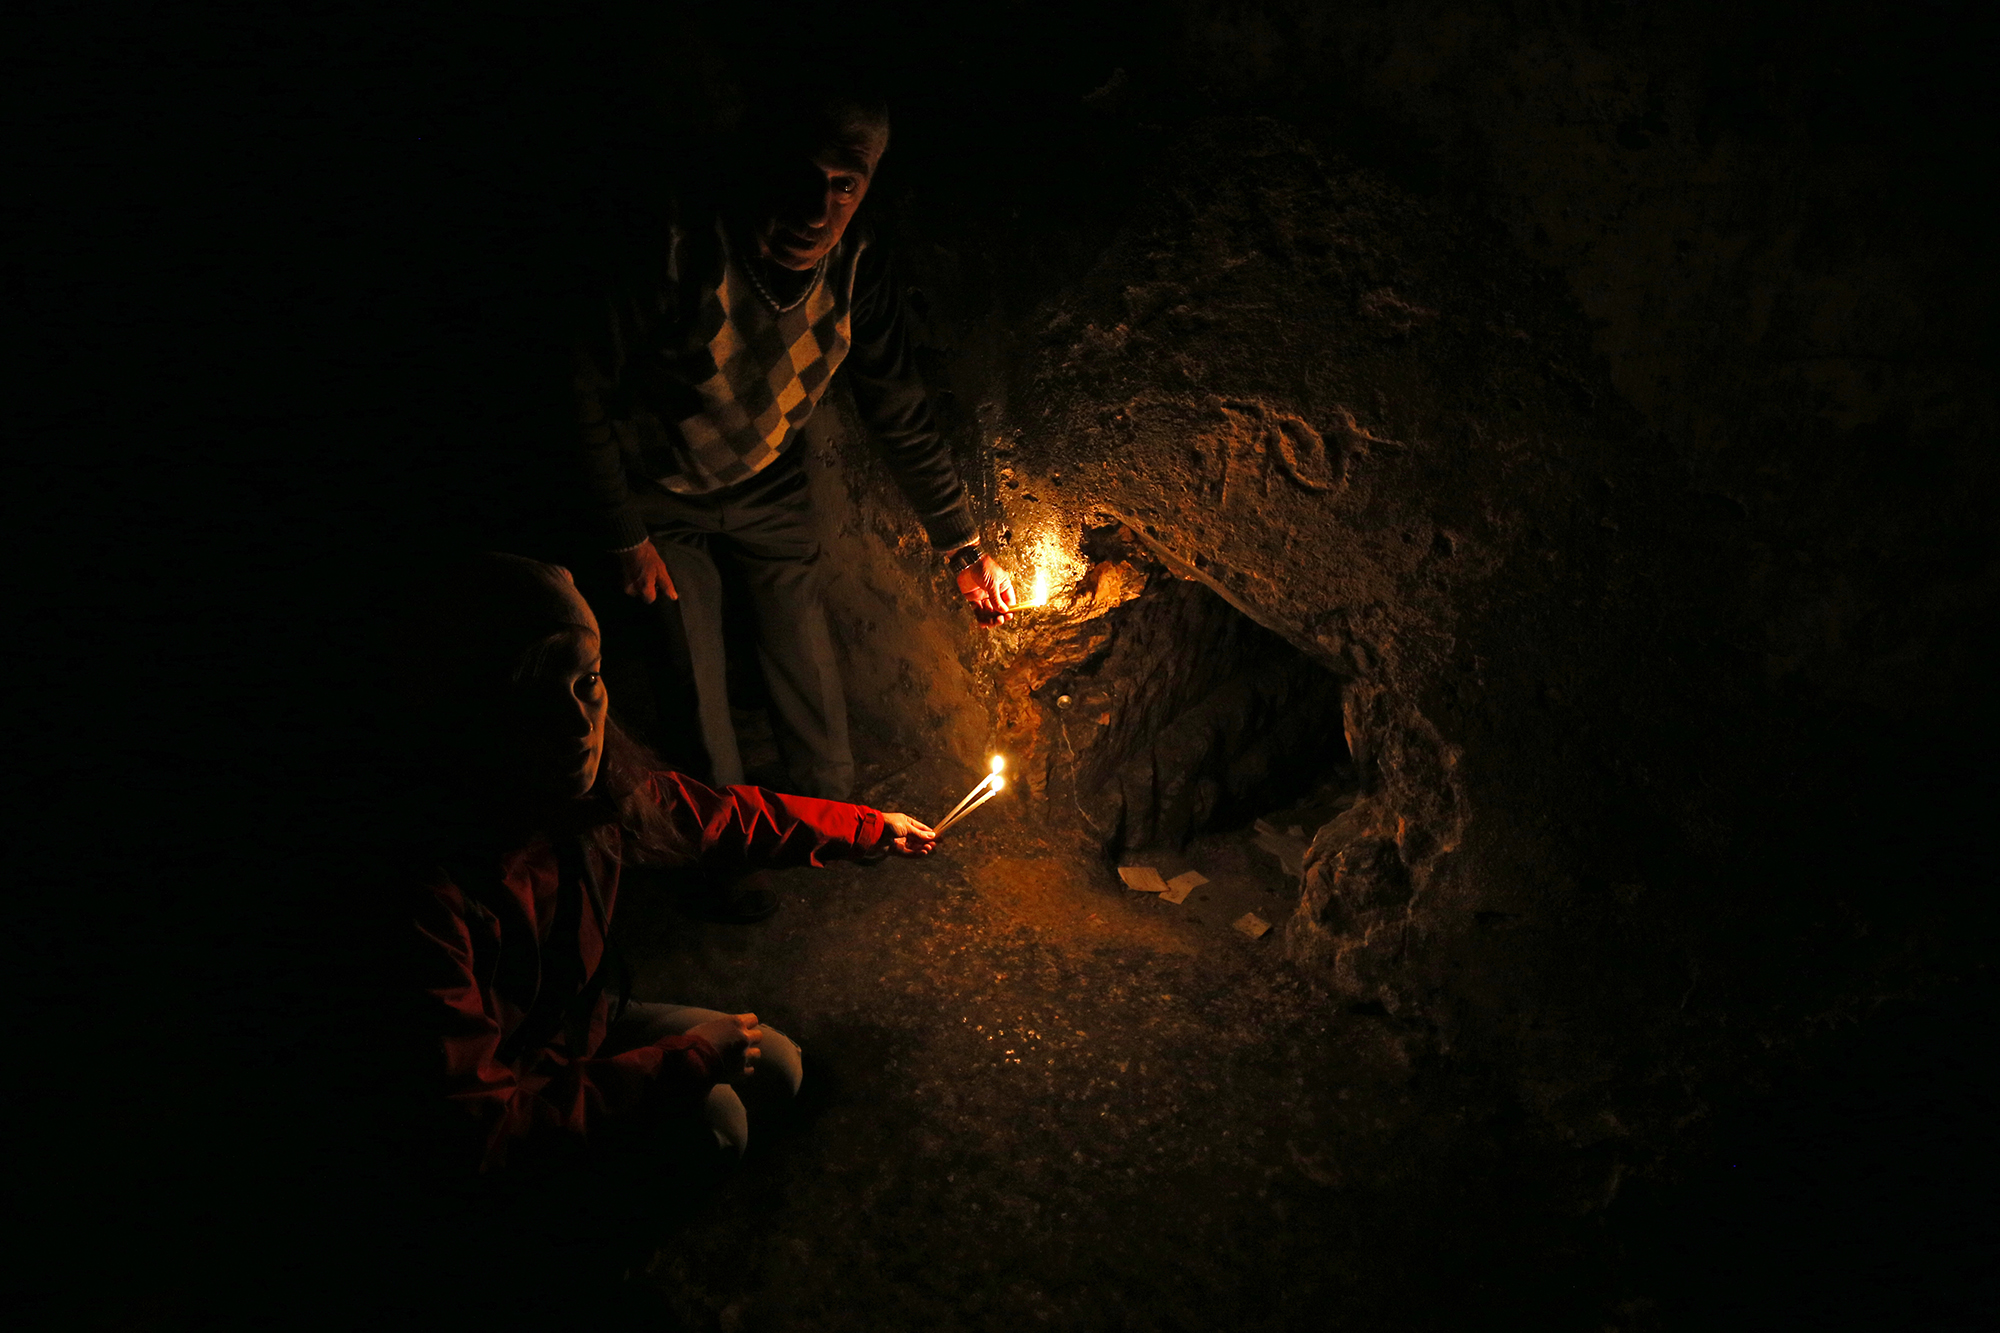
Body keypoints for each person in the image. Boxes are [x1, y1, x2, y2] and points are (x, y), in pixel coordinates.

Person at [398, 553, 936, 1183]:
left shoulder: (598, 792)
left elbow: (718, 818)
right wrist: (686, 1060)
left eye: (588, 681)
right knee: (717, 1126)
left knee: (778, 1066)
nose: (578, 725)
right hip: (516, 1093)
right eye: (538, 699)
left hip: (576, 1029)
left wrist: (868, 827)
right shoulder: (427, 895)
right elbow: (485, 1129)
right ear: (475, 718)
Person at [571, 81, 1014, 809]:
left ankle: (834, 822)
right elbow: (574, 385)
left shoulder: (860, 267)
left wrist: (965, 549)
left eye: (845, 185)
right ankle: (722, 847)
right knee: (695, 689)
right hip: (661, 491)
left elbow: (898, 408)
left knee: (809, 672)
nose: (817, 212)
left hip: (767, 482)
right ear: (758, 165)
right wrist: (623, 533)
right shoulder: (677, 245)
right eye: (801, 178)